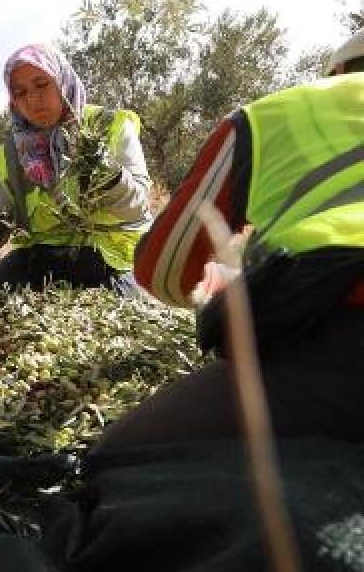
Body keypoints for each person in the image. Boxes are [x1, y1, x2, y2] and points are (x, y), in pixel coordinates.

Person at [94, 29, 364, 451]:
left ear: (336, 73)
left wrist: (228, 283)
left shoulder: (273, 116)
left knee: (121, 453)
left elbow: (162, 271)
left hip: (337, 333)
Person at [0, 43, 152, 296]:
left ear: (62, 80)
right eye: (21, 92)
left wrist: (113, 180)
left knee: (107, 313)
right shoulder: (11, 153)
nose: (33, 99)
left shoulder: (110, 127)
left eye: (42, 84)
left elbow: (138, 206)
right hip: (40, 262)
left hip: (110, 261)